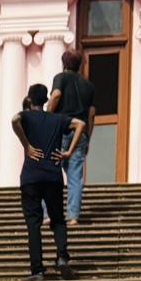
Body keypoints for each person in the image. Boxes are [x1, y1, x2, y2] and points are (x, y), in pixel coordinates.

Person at [12, 83, 82, 280]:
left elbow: (14, 120)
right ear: (45, 100)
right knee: (58, 219)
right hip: (53, 176)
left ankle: (37, 270)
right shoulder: (57, 119)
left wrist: (26, 145)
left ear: (30, 100)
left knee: (33, 224)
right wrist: (68, 152)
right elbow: (81, 125)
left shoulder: (25, 116)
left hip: (30, 178)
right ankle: (61, 257)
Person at [48, 50, 95, 225]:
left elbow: (56, 95)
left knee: (51, 171)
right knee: (75, 175)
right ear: (80, 65)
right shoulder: (88, 85)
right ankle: (73, 215)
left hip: (60, 130)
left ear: (64, 64)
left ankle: (51, 214)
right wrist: (88, 136)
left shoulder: (60, 77)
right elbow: (91, 114)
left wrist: (47, 113)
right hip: (80, 133)